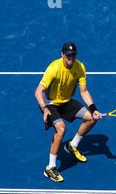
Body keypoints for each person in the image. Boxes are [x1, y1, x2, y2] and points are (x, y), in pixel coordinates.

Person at [35, 42, 102, 182]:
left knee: (92, 118)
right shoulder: (54, 68)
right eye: (69, 55)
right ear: (62, 55)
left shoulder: (80, 67)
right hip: (51, 104)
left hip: (66, 101)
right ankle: (50, 168)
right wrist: (44, 108)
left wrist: (94, 109)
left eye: (74, 54)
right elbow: (38, 91)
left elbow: (83, 91)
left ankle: (72, 145)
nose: (71, 57)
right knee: (61, 129)